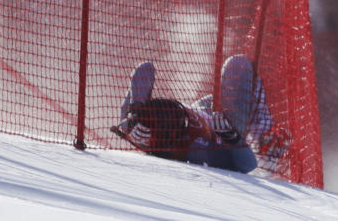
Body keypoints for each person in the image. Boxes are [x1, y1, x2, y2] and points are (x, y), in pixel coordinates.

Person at [113, 54, 291, 174]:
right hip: (223, 125)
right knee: (238, 67)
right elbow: (247, 165)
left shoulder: (143, 129)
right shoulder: (196, 148)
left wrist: (133, 115)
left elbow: (145, 69)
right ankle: (267, 139)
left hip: (204, 108)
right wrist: (232, 137)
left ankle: (267, 135)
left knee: (237, 68)